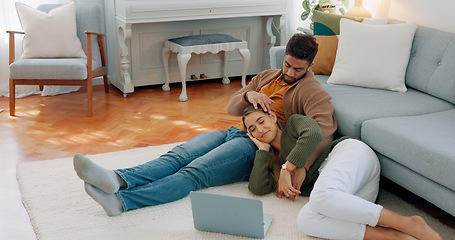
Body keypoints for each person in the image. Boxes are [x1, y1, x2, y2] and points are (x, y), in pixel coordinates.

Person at [73, 33, 337, 216]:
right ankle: (118, 178)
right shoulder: (267, 76)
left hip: (254, 147)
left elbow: (324, 129)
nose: (290, 73)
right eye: (288, 65)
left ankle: (122, 201)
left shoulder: (311, 90)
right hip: (236, 131)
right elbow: (231, 107)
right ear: (285, 56)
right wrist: (249, 94)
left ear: (310, 66)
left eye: (298, 70)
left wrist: (297, 165)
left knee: (195, 172)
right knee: (178, 155)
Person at [242, 105, 442, 240]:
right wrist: (262, 150)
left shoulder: (293, 124)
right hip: (349, 195)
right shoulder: (273, 161)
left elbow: (313, 133)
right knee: (306, 220)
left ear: (272, 116)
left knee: (320, 197)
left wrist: (288, 169)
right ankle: (395, 237)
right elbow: (258, 188)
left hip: (351, 155)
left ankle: (409, 223)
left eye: (261, 121)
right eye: (253, 129)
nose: (260, 129)